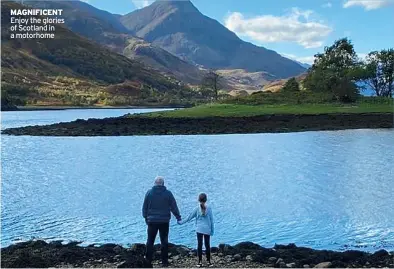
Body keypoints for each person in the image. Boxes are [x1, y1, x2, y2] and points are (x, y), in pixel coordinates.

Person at [142, 176, 181, 267]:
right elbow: (173, 206)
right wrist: (178, 217)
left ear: (155, 183)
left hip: (152, 221)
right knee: (164, 241)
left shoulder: (149, 193)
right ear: (163, 184)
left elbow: (145, 207)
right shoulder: (168, 194)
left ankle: (148, 260)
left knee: (150, 241)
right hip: (164, 221)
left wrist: (145, 217)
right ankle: (164, 262)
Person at [178, 193, 214, 267]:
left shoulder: (196, 209)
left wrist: (180, 222)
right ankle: (209, 262)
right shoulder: (209, 208)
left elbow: (189, 218)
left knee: (199, 245)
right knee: (207, 245)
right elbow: (211, 220)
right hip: (207, 229)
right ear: (206, 200)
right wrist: (212, 231)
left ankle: (199, 262)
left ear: (198, 200)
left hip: (199, 229)